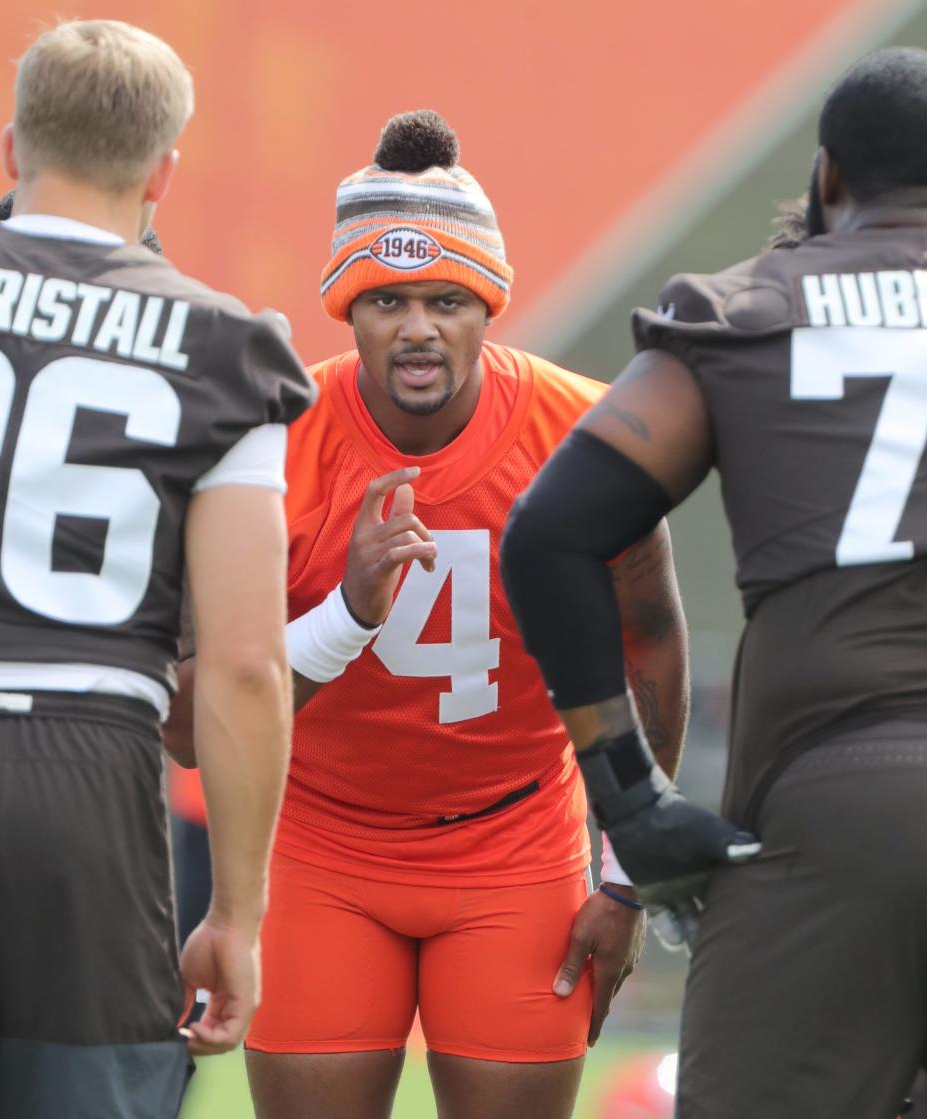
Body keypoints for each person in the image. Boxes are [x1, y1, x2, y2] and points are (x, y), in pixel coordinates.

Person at [167, 108, 688, 1119]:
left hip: (516, 839)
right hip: (320, 837)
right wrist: (349, 615)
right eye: (386, 299)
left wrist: (625, 877)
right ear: (346, 309)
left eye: (447, 298)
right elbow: (190, 729)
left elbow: (652, 647)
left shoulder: (586, 435)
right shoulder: (273, 441)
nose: (416, 327)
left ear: (488, 305)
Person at [501, 45, 927, 1119]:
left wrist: (628, 799)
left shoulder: (747, 310)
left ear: (827, 178)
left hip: (834, 807)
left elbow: (550, 532)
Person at [0, 19, 314, 1118]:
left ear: (12, 146)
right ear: (166, 168)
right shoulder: (227, 348)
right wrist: (241, 915)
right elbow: (248, 666)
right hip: (85, 785)